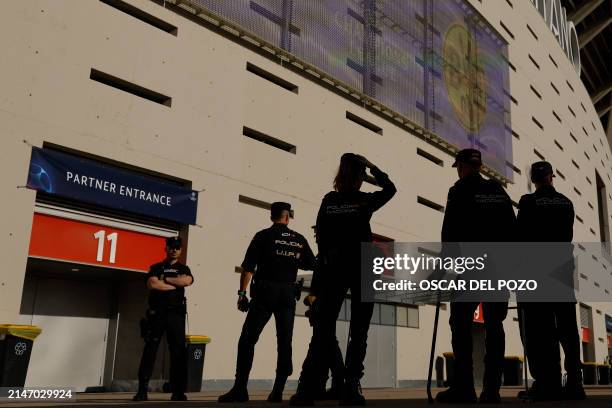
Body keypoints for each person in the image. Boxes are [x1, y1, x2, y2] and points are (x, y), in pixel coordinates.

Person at [290, 153, 396, 406]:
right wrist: (373, 168)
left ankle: (307, 388)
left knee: (323, 328)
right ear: (361, 177)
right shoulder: (364, 200)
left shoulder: (329, 200)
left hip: (334, 267)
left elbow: (321, 239)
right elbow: (391, 189)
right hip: (361, 265)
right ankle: (349, 387)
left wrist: (319, 280)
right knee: (359, 330)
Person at [436, 149, 515, 404]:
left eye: (458, 166)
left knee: (460, 325)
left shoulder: (458, 190)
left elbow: (449, 233)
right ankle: (491, 390)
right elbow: (512, 229)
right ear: (479, 166)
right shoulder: (497, 190)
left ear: (461, 166)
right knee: (494, 326)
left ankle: (464, 388)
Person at [218, 202, 317, 403]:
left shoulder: (262, 236)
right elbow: (312, 265)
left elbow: (248, 268)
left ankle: (240, 389)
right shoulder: (299, 239)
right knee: (284, 341)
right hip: (287, 294)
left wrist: (241, 293)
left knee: (248, 339)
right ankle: (278, 391)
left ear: (271, 217)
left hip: (264, 293)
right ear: (287, 217)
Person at [516, 161, 585, 401]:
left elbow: (519, 237)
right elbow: (567, 235)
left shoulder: (527, 202)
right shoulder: (566, 202)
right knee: (567, 328)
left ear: (534, 180)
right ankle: (575, 383)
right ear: (552, 177)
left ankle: (548, 383)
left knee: (538, 330)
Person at [133, 236, 194, 402]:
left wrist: (165, 280)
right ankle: (142, 391)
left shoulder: (184, 268)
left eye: (177, 247)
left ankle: (178, 392)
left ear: (180, 250)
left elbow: (187, 281)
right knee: (150, 351)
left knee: (178, 353)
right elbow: (152, 284)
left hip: (176, 316)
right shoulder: (156, 267)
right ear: (165, 248)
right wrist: (175, 284)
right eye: (171, 247)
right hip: (157, 314)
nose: (174, 250)